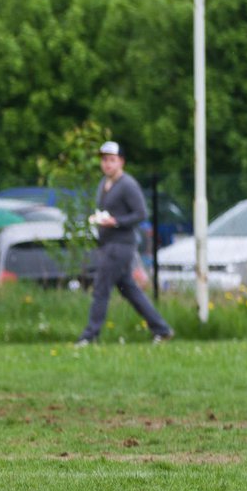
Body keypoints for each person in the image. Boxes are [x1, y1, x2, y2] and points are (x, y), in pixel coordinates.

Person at [75, 141, 174, 346]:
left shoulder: (128, 184)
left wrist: (117, 222)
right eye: (104, 160)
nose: (107, 164)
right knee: (128, 288)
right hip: (107, 243)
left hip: (120, 245)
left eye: (111, 160)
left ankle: (90, 335)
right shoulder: (104, 183)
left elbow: (141, 214)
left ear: (121, 162)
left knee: (101, 288)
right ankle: (161, 329)